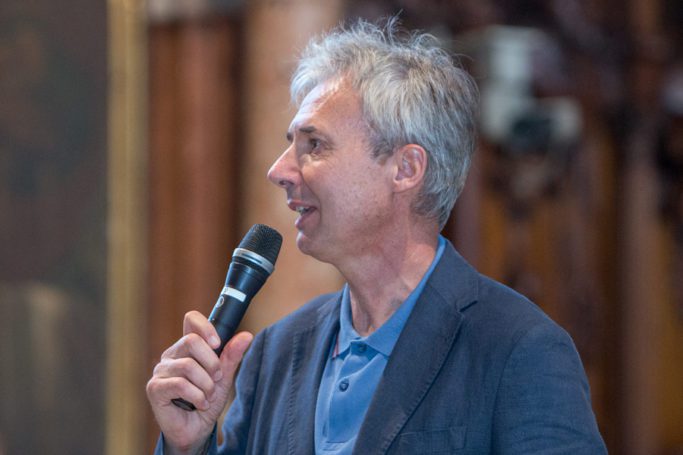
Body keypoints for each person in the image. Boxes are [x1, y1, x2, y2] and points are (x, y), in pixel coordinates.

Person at [146, 18, 607, 454]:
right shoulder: (275, 354)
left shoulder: (517, 348)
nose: (278, 170)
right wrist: (189, 445)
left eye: (314, 145)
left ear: (405, 169)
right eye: (290, 145)